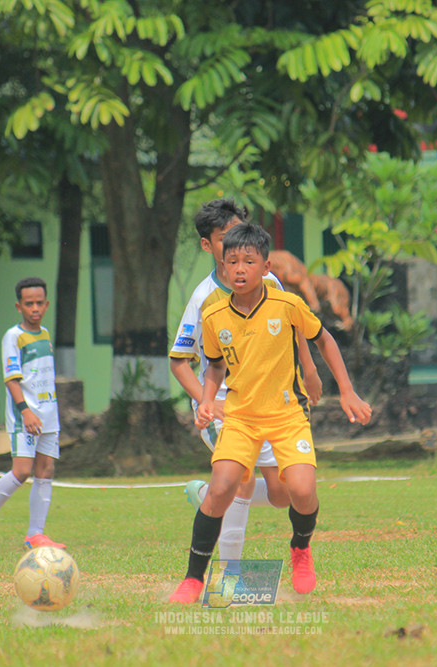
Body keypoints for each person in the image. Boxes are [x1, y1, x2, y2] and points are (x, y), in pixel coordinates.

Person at [169, 223, 371, 603]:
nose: (240, 268)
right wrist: (207, 401)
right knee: (222, 487)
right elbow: (212, 365)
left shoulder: (287, 304)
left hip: (287, 415)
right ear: (224, 268)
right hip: (240, 418)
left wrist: (347, 391)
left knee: (299, 492)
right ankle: (194, 579)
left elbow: (323, 339)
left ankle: (300, 548)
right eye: (232, 262)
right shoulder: (212, 314)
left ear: (266, 267)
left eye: (249, 261)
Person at [169, 198, 322, 561]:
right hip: (224, 403)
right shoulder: (202, 299)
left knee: (281, 494)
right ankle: (231, 574)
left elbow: (293, 323)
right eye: (226, 238)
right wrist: (206, 403)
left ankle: (208, 493)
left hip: (267, 403)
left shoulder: (268, 279)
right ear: (208, 246)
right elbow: (179, 362)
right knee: (241, 479)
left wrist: (310, 368)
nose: (237, 245)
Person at [0, 277, 66, 552]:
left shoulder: (44, 334)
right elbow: (12, 379)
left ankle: (35, 534)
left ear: (46, 304)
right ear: (18, 306)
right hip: (27, 416)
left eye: (39, 303)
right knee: (22, 471)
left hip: (49, 414)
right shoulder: (13, 336)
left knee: (45, 470)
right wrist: (26, 412)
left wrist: (48, 412)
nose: (34, 308)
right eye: (28, 304)